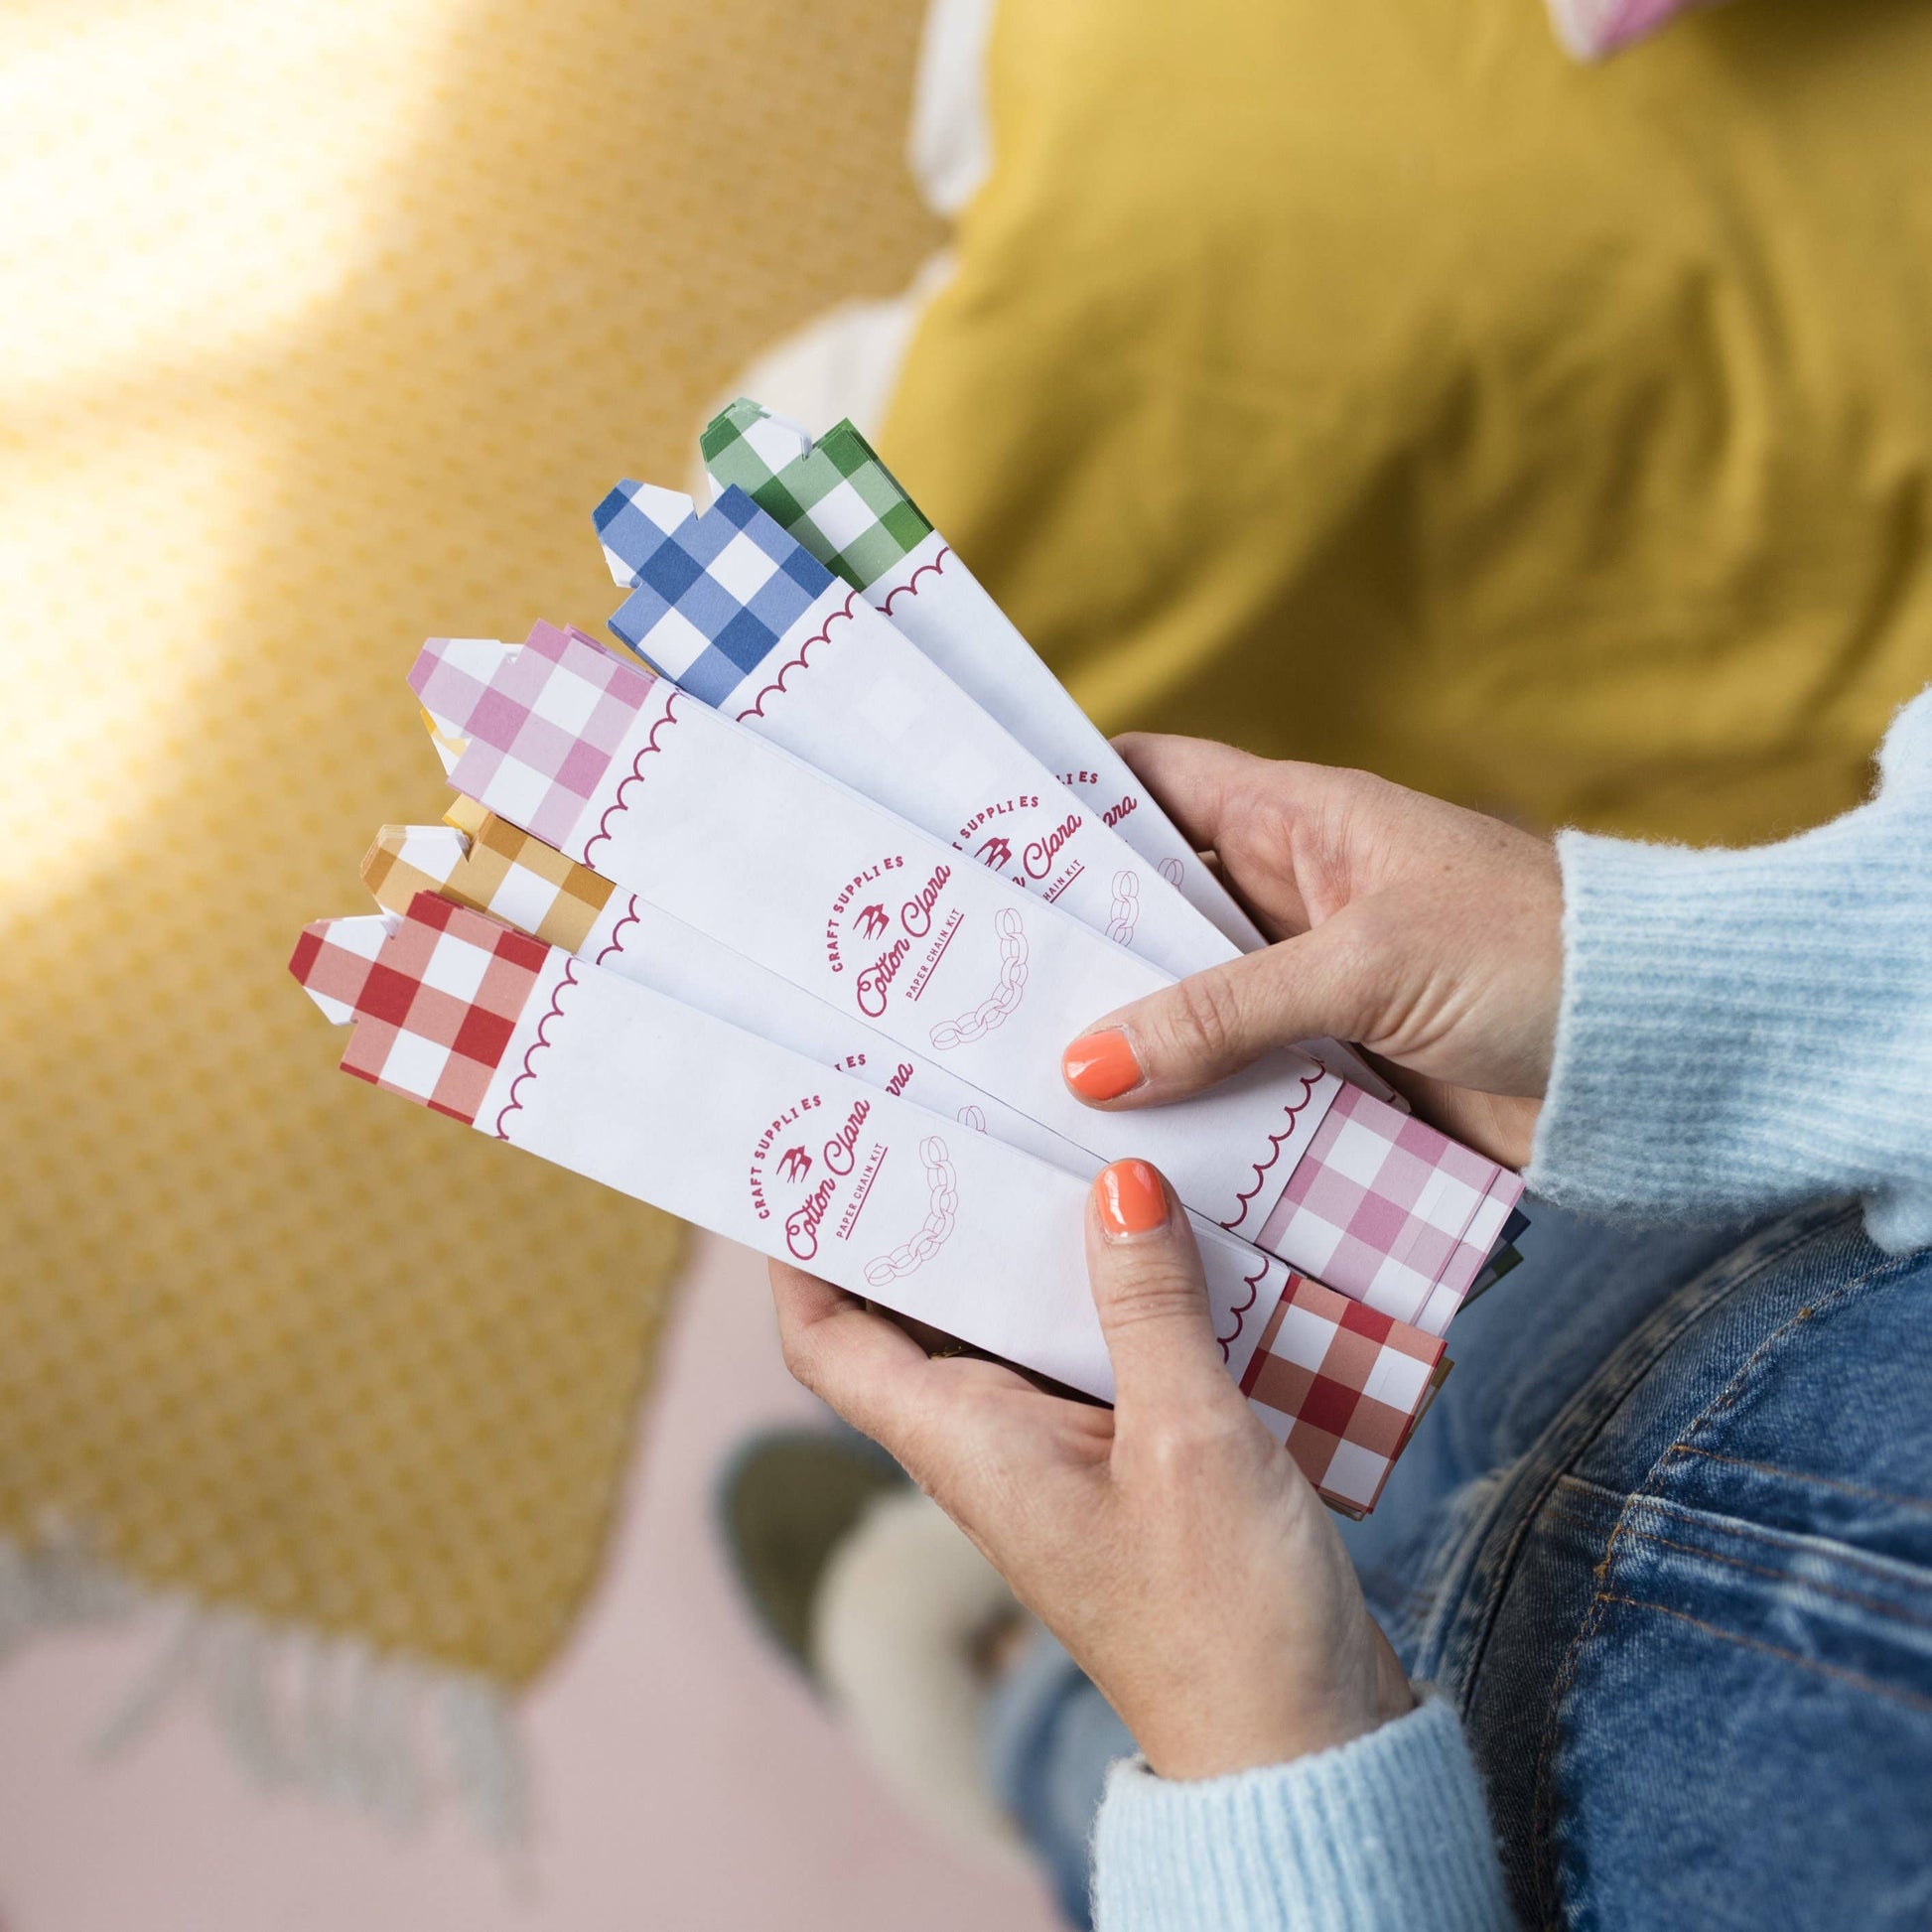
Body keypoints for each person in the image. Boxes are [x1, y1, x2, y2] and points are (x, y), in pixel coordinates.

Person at [724, 688, 1932, 1929]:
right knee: (1317, 1358)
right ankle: (1038, 1598)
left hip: (1427, 1786)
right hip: (1705, 1257)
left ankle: (1006, 1685)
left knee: (1101, 1704)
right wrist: (1694, 997)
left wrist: (1248, 1761)